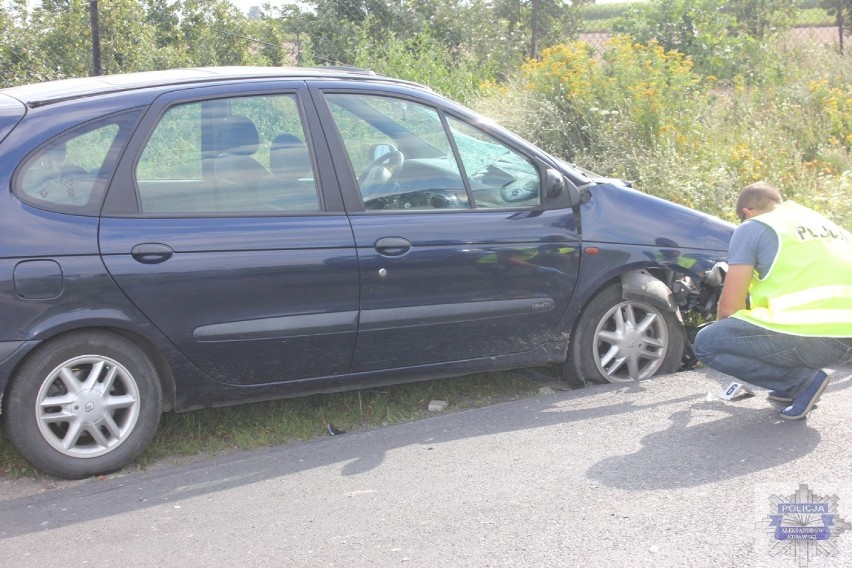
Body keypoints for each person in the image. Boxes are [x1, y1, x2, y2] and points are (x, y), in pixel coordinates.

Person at [694, 181, 852, 419]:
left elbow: (729, 309)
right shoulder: (825, 225)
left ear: (747, 212)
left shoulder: (753, 227)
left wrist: (723, 331)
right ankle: (788, 385)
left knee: (708, 342)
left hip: (817, 336)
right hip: (845, 339)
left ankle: (801, 382)